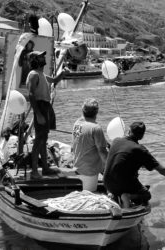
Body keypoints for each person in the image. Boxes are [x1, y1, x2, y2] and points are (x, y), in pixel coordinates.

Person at [103, 121, 165, 208]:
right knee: (146, 195)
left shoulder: (115, 141)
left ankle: (114, 195)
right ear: (142, 136)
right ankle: (128, 196)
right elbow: (163, 170)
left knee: (121, 178)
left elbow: (121, 158)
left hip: (107, 183)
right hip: (122, 184)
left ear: (129, 131)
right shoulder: (140, 150)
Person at [26, 51, 68, 179]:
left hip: (46, 107)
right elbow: (31, 94)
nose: (44, 58)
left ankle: (45, 168)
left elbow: (54, 80)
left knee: (43, 139)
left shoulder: (41, 74)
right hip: (41, 107)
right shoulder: (33, 74)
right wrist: (38, 114)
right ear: (35, 60)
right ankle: (34, 171)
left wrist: (63, 73)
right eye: (41, 56)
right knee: (39, 140)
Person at [72, 98, 108, 191]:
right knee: (89, 196)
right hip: (89, 170)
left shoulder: (77, 123)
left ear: (83, 111)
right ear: (96, 112)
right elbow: (102, 152)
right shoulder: (96, 128)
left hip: (77, 165)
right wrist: (111, 166)